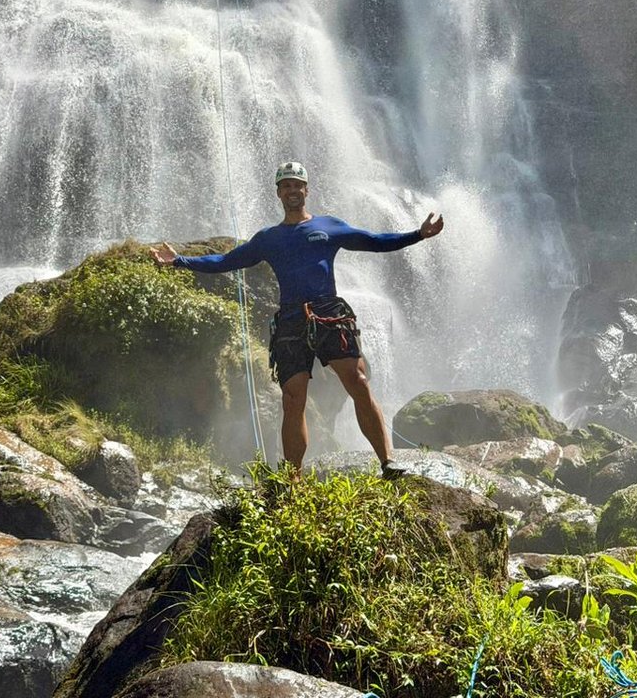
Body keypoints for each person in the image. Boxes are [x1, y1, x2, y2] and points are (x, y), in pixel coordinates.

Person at [151, 161, 444, 476]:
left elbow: (372, 240)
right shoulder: (269, 238)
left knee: (358, 382)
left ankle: (387, 462)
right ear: (278, 193)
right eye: (286, 185)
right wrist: (179, 261)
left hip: (328, 312)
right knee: (292, 400)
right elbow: (226, 260)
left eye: (297, 185)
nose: (292, 190)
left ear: (306, 190)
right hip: (291, 318)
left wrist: (418, 235)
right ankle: (293, 479)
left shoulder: (329, 226)